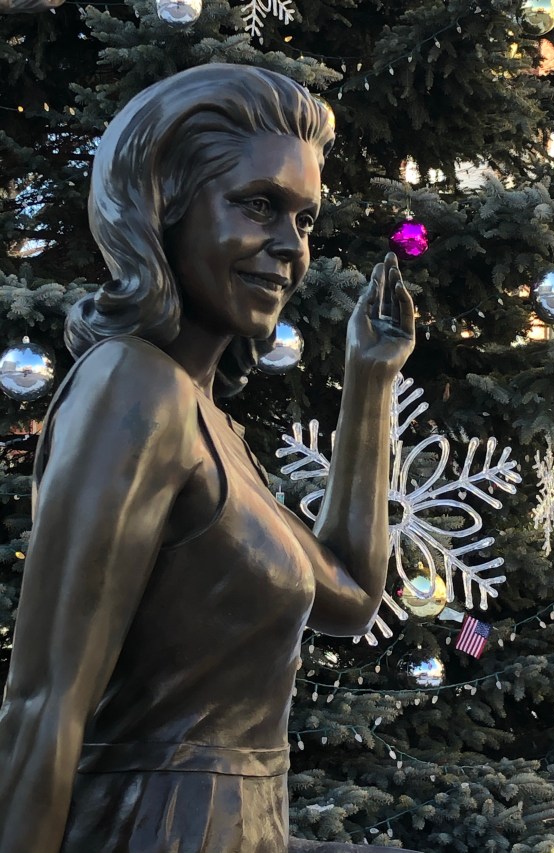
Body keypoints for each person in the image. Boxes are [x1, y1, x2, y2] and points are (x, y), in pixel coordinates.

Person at [0, 64, 417, 853]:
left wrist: (369, 379)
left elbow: (352, 597)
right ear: (165, 205)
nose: (290, 247)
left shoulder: (207, 423)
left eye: (305, 219)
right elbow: (42, 703)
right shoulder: (133, 389)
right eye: (259, 205)